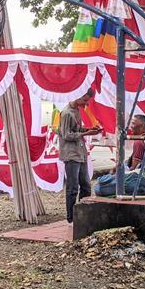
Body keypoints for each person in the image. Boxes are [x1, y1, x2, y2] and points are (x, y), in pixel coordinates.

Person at [58, 88, 101, 223]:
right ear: (78, 96)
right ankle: (71, 217)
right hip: (71, 154)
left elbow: (76, 129)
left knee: (86, 185)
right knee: (72, 187)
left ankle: (83, 214)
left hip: (80, 152)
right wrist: (86, 133)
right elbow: (66, 135)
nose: (86, 104)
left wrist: (88, 129)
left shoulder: (76, 110)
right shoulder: (67, 113)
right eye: (85, 100)